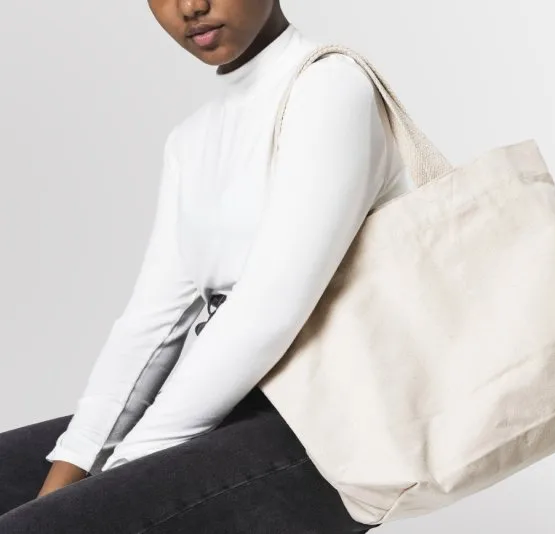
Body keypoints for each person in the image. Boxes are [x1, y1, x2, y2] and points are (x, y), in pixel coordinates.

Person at [0, 0, 411, 531]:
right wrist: (70, 470)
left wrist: (120, 475)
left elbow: (269, 312)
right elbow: (151, 327)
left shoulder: (330, 87)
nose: (191, 6)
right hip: (234, 403)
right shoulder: (192, 140)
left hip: (336, 424)